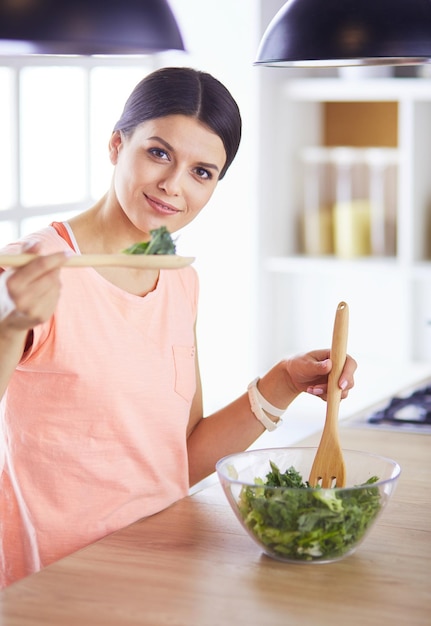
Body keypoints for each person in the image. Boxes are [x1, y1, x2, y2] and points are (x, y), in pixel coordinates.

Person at [0, 66, 357, 587]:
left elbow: (180, 461)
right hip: (58, 583)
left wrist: (283, 382)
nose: (173, 185)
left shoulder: (178, 280)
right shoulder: (31, 268)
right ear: (117, 144)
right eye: (159, 153)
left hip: (162, 572)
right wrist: (13, 327)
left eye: (202, 172)